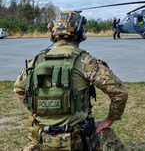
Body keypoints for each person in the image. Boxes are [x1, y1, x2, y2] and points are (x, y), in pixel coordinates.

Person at [14, 10, 128, 151]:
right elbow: (119, 92)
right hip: (77, 141)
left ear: (54, 31)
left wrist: (41, 110)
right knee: (110, 136)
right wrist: (109, 119)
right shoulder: (85, 61)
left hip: (43, 139)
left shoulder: (35, 62)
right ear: (80, 32)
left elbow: (18, 89)